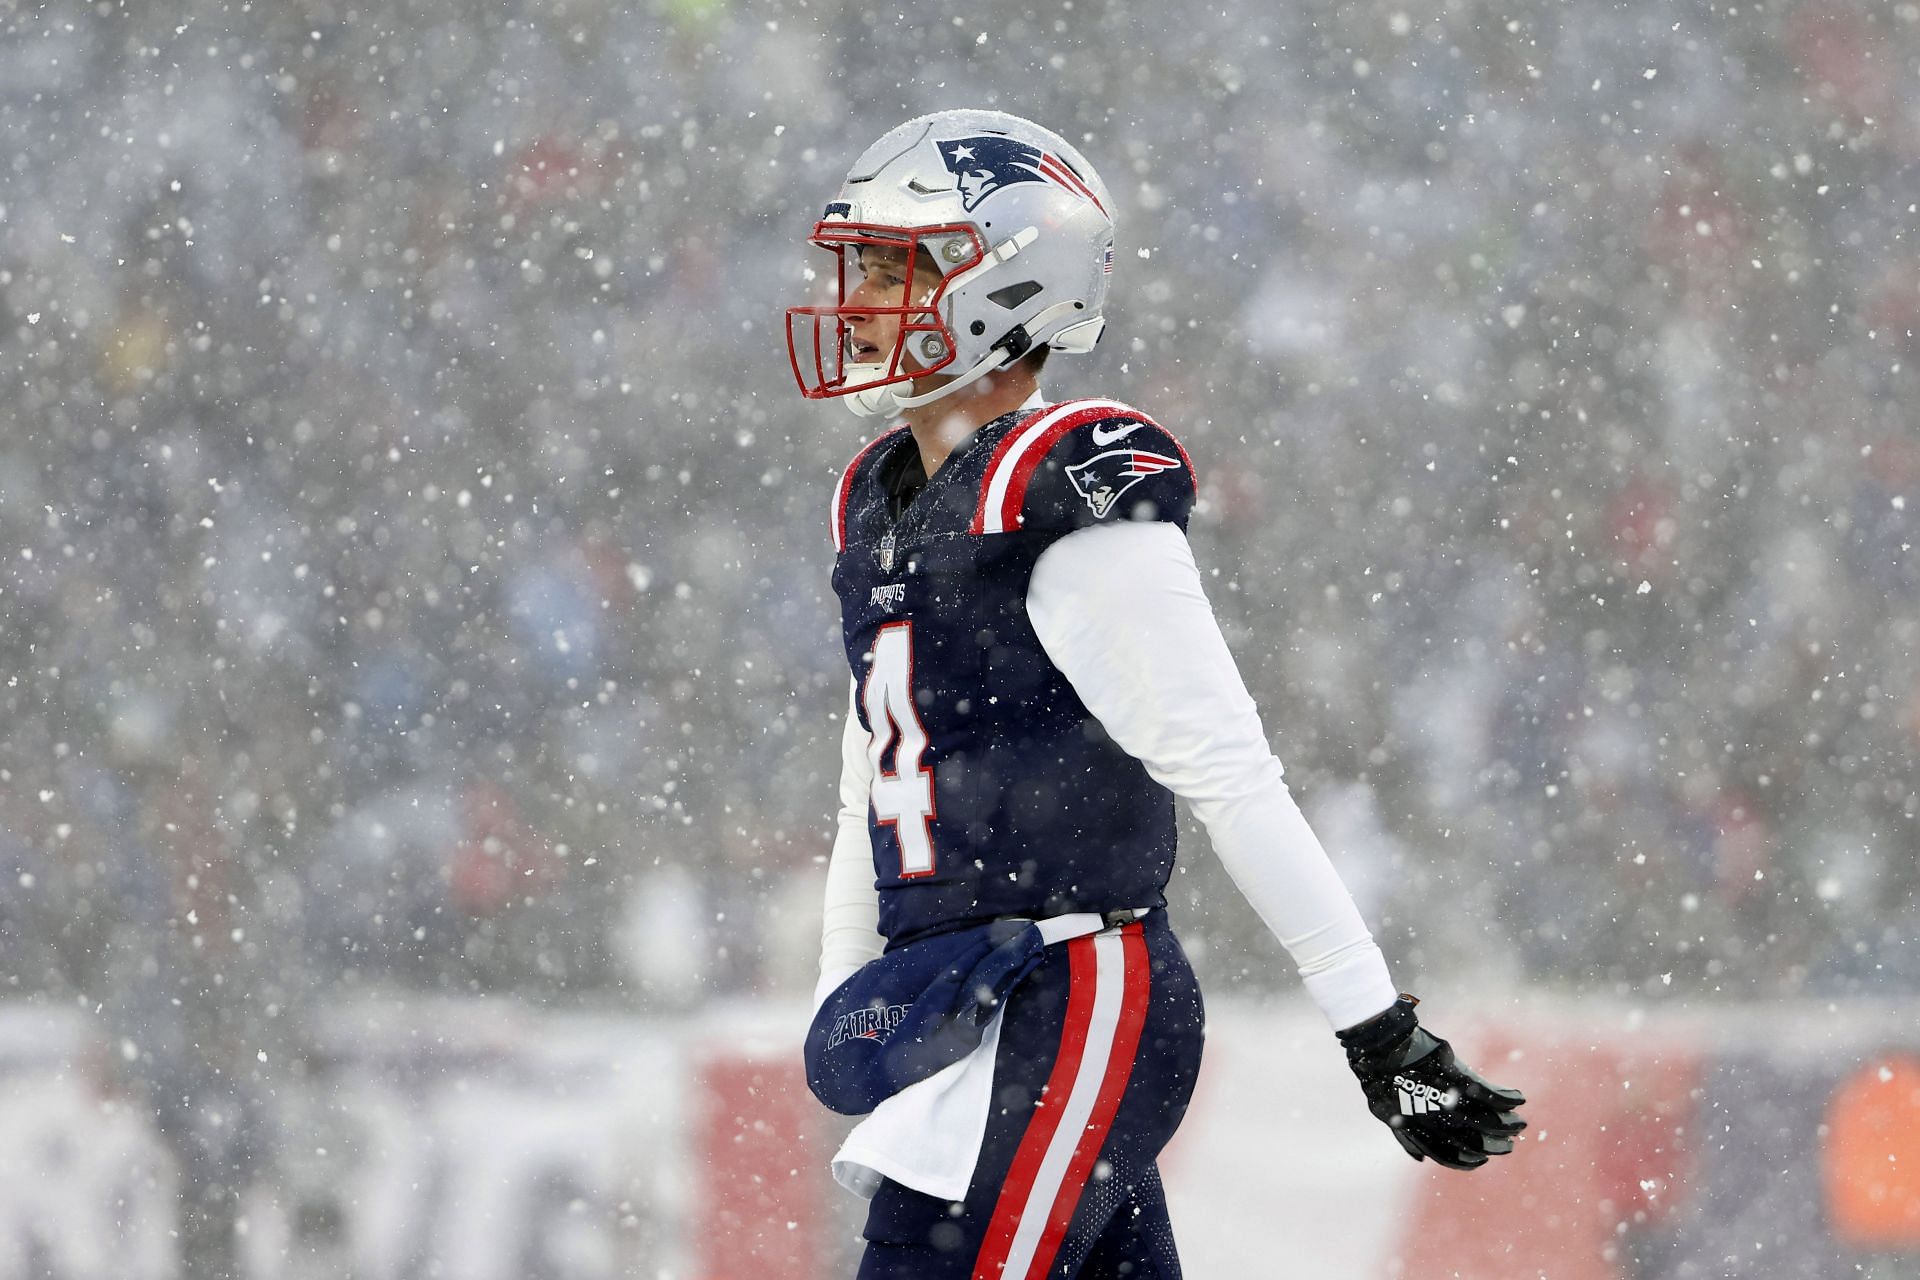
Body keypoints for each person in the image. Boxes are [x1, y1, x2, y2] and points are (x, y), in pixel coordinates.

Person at [788, 109, 1525, 1280]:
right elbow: (869, 777)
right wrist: (848, 993)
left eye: (893, 268)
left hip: (1076, 991)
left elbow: (1231, 772)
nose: (859, 299)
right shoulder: (876, 500)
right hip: (973, 1000)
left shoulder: (1064, 488)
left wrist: (1380, 1029)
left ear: (1001, 281)